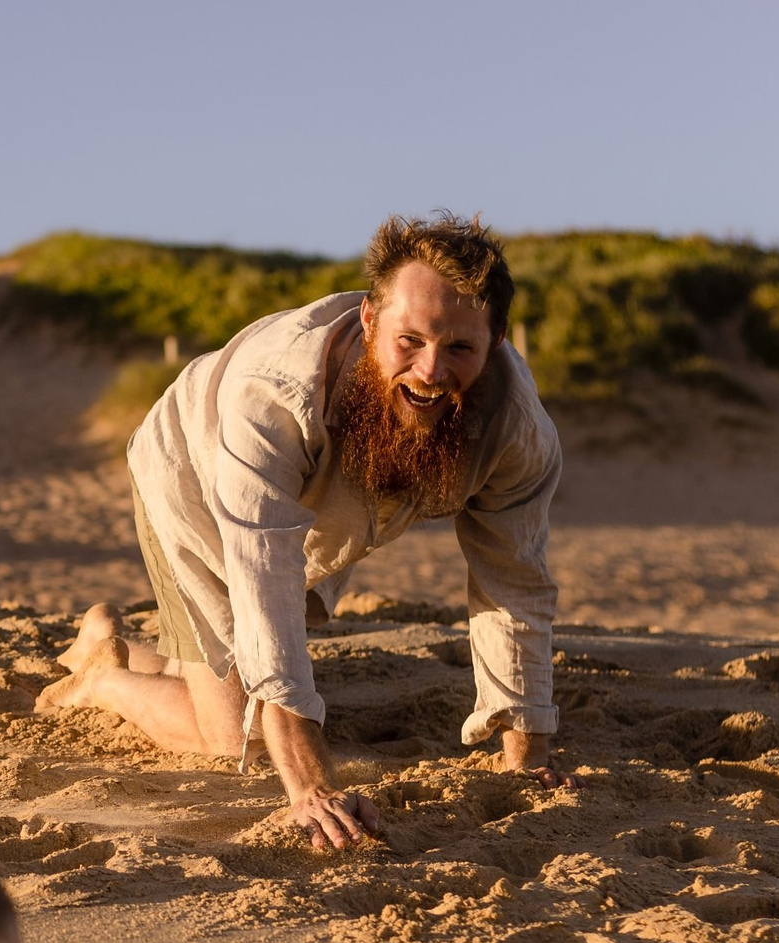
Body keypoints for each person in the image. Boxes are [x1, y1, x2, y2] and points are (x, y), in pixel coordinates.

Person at [35, 213, 566, 850]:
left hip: (331, 507)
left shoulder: (517, 427)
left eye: (459, 349)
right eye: (410, 341)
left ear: (497, 341)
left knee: (246, 658)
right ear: (370, 321)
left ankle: (106, 645)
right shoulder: (275, 396)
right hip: (195, 474)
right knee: (234, 734)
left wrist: (526, 754)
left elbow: (514, 580)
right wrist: (311, 785)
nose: (430, 370)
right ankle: (102, 681)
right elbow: (264, 577)